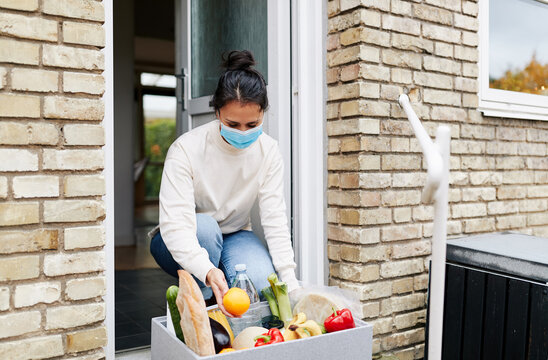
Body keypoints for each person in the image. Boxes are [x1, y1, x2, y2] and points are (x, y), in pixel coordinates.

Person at [150, 50, 299, 317]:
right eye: (233, 123)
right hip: (181, 235)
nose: (243, 132)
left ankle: (215, 285)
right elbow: (175, 225)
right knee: (206, 229)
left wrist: (290, 280)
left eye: (252, 124)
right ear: (217, 112)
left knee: (260, 284)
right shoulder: (186, 149)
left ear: (263, 114)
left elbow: (275, 217)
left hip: (235, 234)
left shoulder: (269, 151)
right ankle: (204, 308)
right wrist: (206, 269)